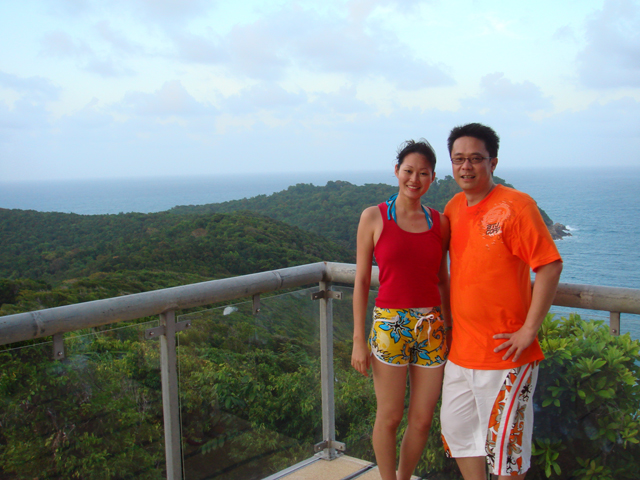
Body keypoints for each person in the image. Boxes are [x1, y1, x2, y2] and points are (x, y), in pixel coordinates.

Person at [440, 123, 563, 480]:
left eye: (475, 158)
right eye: (459, 159)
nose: (466, 166)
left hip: (506, 354)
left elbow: (550, 265)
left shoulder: (517, 205)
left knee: (507, 452)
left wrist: (529, 330)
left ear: (492, 162)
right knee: (459, 436)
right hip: (461, 353)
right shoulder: (453, 207)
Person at [351, 139, 450, 480]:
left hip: (432, 327)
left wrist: (450, 326)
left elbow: (442, 280)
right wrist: (358, 340)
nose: (414, 179)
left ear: (432, 177)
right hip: (389, 325)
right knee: (390, 416)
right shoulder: (373, 217)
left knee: (422, 420)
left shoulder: (440, 222)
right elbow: (361, 280)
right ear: (396, 171)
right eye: (408, 171)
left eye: (423, 173)